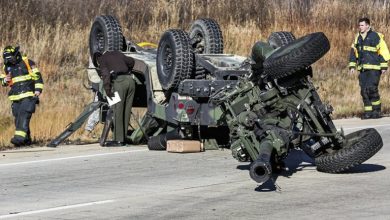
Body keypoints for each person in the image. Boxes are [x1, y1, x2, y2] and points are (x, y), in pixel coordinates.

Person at [0, 46, 43, 146]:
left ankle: (19, 138)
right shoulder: (6, 67)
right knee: (18, 118)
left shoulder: (28, 62)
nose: (9, 61)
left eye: (10, 58)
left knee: (24, 114)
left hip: (28, 95)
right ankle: (26, 141)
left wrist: (37, 91)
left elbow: (37, 77)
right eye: (7, 59)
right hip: (15, 98)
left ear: (16, 55)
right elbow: (3, 80)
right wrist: (5, 80)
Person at [349, 17, 390, 119]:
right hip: (363, 69)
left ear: (368, 26)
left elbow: (383, 51)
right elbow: (353, 52)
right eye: (359, 25)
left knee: (372, 89)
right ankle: (368, 112)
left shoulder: (375, 36)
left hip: (375, 68)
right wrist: (352, 66)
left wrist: (384, 66)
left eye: (362, 25)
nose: (360, 27)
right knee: (364, 91)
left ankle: (376, 111)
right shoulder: (357, 37)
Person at [93, 50, 135, 146]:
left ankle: (118, 140)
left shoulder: (102, 60)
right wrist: (127, 70)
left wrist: (108, 91)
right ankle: (123, 138)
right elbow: (131, 61)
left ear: (97, 59)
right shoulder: (117, 53)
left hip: (119, 83)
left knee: (117, 110)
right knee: (126, 111)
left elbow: (105, 75)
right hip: (131, 81)